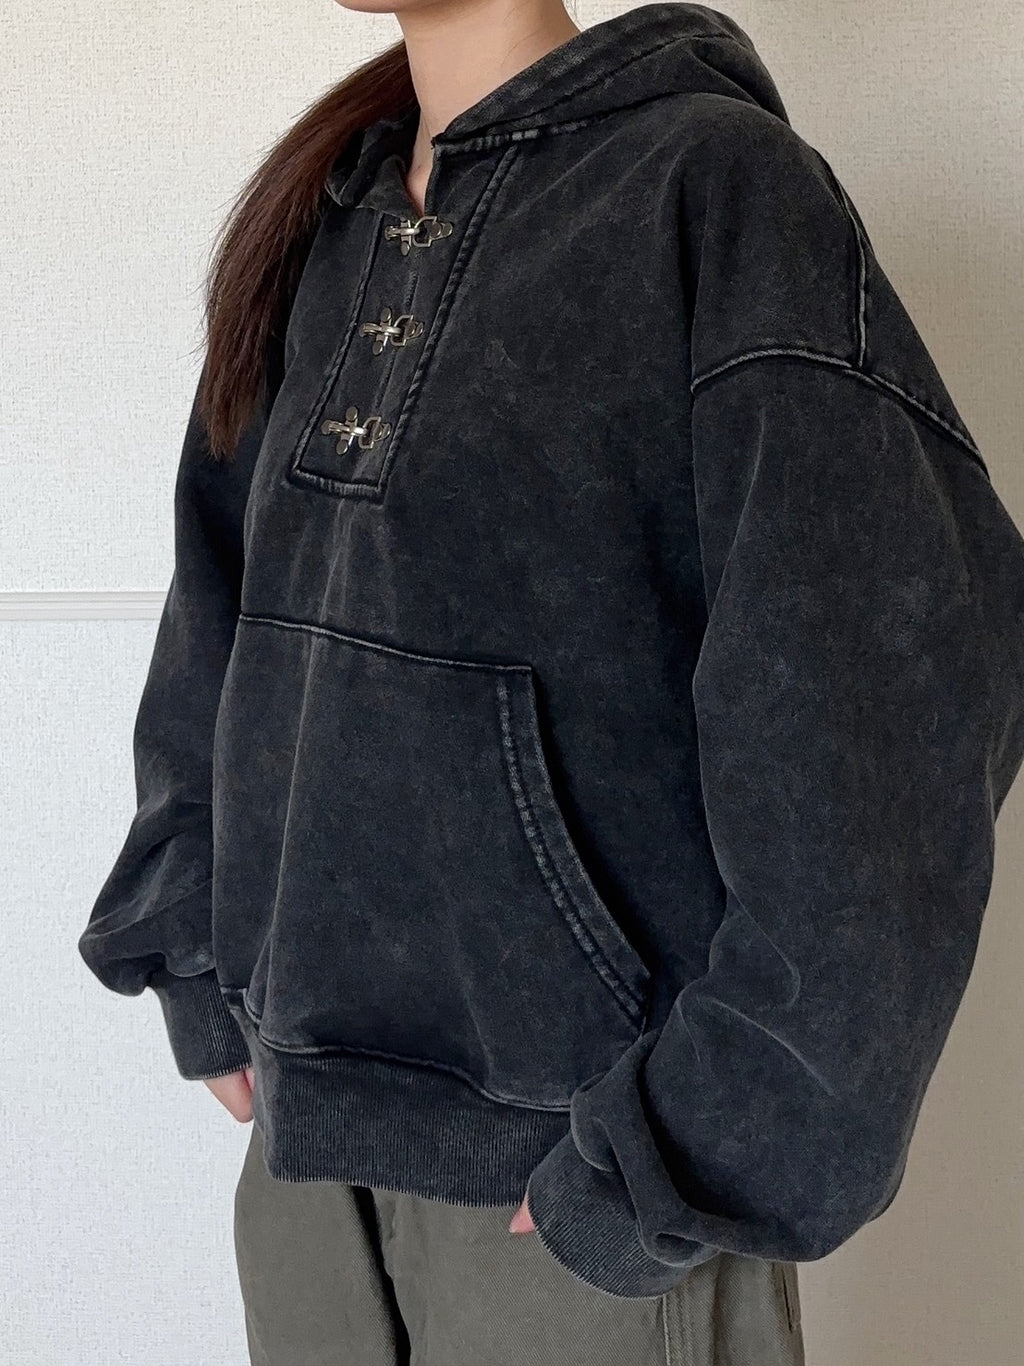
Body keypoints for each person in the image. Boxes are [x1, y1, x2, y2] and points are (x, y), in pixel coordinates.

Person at [77, 2, 1024, 1362]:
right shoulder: (330, 213)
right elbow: (221, 600)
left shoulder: (715, 193)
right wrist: (188, 931)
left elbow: (891, 704)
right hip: (305, 1157)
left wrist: (705, 1136)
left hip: (578, 1190)